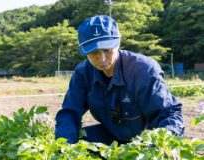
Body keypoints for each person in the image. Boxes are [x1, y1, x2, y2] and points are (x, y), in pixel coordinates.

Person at [55, 15, 185, 146]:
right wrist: (66, 151)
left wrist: (166, 142)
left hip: (144, 139)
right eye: (94, 52)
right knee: (78, 140)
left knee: (159, 153)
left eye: (107, 49)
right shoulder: (82, 74)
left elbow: (168, 113)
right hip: (110, 137)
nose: (102, 58)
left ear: (118, 42)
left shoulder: (144, 71)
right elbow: (69, 114)